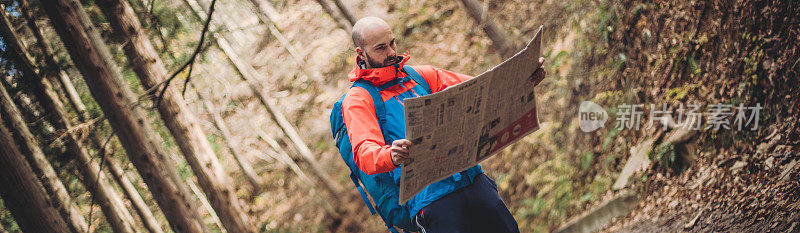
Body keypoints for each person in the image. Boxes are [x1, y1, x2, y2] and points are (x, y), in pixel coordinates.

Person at [341, 16, 546, 232]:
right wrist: (390, 154)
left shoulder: (420, 76)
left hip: (472, 179)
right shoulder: (359, 98)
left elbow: (483, 90)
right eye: (381, 48)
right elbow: (364, 152)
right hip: (430, 201)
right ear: (361, 53)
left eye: (392, 43)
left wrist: (523, 80)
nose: (391, 52)